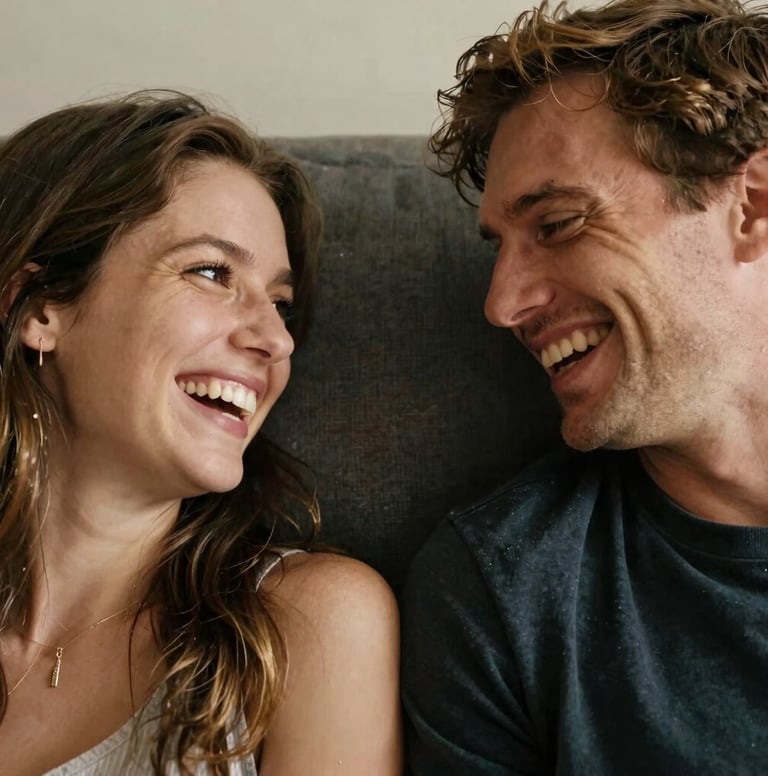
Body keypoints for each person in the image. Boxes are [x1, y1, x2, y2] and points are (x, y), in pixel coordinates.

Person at [401, 0, 768, 773]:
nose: (502, 306)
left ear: (754, 204)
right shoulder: (503, 596)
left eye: (560, 223)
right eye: (500, 248)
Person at [0, 91, 401, 775]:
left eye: (280, 305)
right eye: (211, 272)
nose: (275, 340)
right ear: (39, 308)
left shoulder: (308, 625)